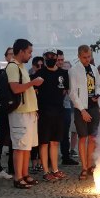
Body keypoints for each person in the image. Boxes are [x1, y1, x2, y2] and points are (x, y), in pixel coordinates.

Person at [7, 38, 43, 189]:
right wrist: (33, 83)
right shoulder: (13, 67)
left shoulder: (21, 67)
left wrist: (34, 110)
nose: (30, 55)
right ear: (21, 51)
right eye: (29, 52)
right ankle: (18, 177)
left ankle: (25, 174)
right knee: (20, 146)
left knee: (27, 146)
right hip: (19, 112)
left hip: (29, 111)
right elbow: (15, 88)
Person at [34, 48, 69, 182]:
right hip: (44, 112)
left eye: (53, 56)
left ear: (56, 57)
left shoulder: (63, 73)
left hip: (59, 111)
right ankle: (46, 171)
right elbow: (34, 92)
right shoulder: (40, 73)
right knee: (44, 142)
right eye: (48, 56)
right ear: (44, 57)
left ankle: (55, 169)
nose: (50, 58)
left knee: (55, 142)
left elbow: (65, 90)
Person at [69, 44, 100, 180]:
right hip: (81, 108)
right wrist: (82, 110)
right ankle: (83, 167)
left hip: (93, 106)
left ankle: (89, 165)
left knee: (93, 137)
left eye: (89, 57)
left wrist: (97, 94)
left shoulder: (94, 69)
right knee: (83, 137)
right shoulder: (73, 70)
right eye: (84, 57)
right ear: (79, 56)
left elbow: (98, 85)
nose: (87, 59)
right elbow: (72, 93)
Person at [58, 53, 79, 166]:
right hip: (57, 106)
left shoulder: (71, 77)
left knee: (66, 133)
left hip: (67, 106)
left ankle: (66, 156)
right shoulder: (58, 75)